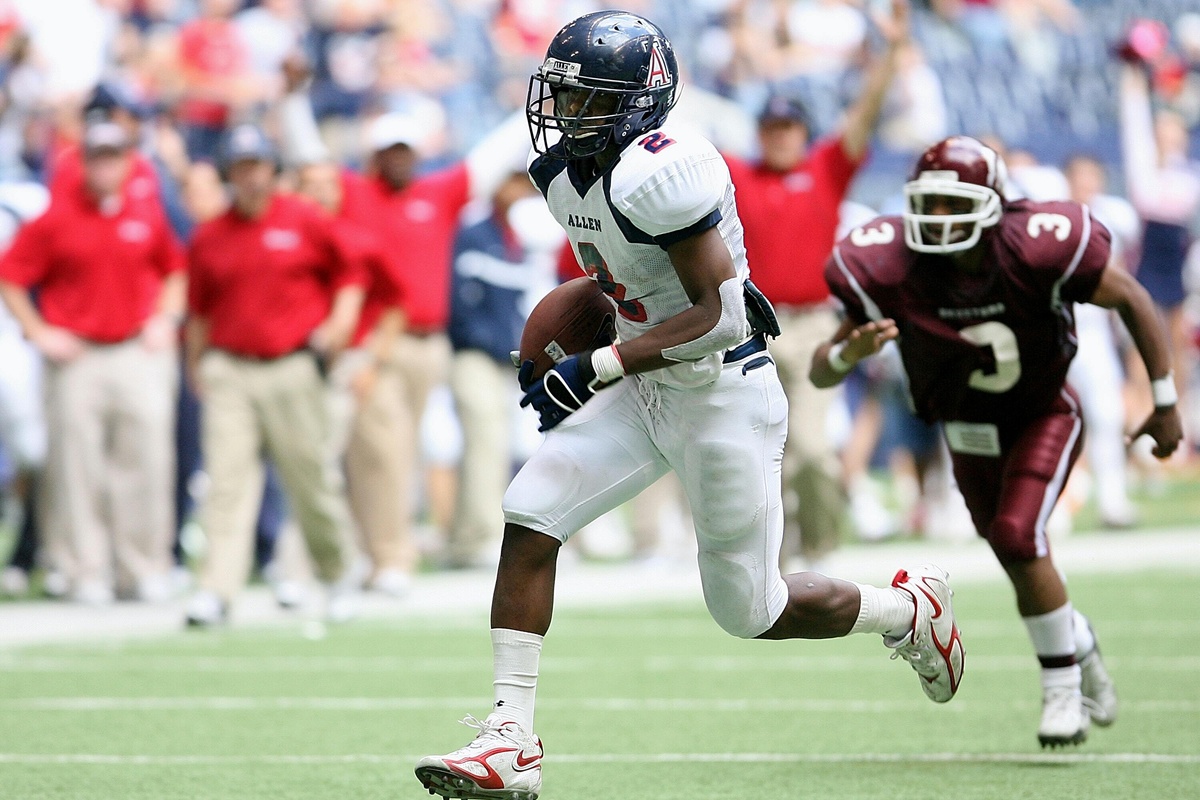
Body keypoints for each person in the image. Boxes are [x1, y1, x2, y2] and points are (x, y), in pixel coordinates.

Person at [414, 13, 965, 800]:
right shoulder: (563, 173)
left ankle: (906, 612)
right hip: (648, 385)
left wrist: (599, 362)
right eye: (562, 96)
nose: (565, 114)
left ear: (639, 102)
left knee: (753, 609)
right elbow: (615, 282)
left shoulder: (662, 172)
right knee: (530, 510)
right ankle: (511, 740)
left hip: (721, 394)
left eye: (585, 100)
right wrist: (557, 341)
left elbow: (725, 312)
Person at [813, 136, 1183, 747]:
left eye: (951, 204)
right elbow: (822, 371)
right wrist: (847, 352)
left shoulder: (1037, 244)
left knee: (1018, 537)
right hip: (963, 425)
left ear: (993, 203)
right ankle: (1078, 640)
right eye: (927, 205)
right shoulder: (888, 263)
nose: (936, 220)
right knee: (1014, 554)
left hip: (1043, 412)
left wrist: (1165, 402)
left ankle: (1063, 690)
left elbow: (1134, 297)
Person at [722, 0, 910, 569]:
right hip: (752, 328)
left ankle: (820, 552)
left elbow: (864, 115)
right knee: (757, 452)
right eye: (772, 128)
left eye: (789, 127)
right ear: (760, 132)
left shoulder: (826, 167)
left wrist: (892, 52)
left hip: (810, 326)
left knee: (808, 448)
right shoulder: (740, 174)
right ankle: (775, 560)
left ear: (803, 131)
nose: (781, 137)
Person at [182, 124, 364, 626]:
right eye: (240, 167)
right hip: (230, 367)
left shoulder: (304, 219)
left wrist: (339, 325)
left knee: (310, 480)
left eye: (257, 165)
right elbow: (198, 310)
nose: (250, 177)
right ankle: (216, 590)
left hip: (291, 365)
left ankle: (337, 573)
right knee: (225, 482)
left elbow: (351, 274)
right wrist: (196, 365)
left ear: (271, 169)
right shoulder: (211, 235)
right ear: (229, 174)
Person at [0, 120, 185, 604]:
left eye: (115, 156)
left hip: (134, 348)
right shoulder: (57, 217)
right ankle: (84, 569)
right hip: (77, 354)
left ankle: (142, 566)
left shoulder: (146, 211)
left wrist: (165, 318)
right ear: (83, 163)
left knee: (145, 460)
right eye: (98, 156)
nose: (106, 165)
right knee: (76, 467)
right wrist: (39, 331)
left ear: (128, 161)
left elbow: (174, 269)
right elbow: (11, 275)